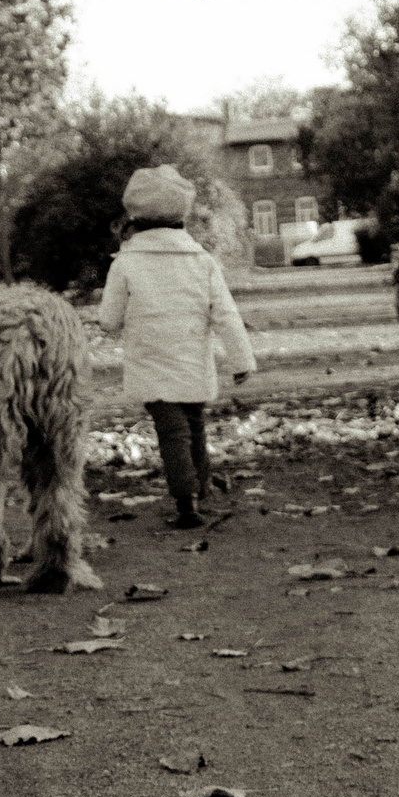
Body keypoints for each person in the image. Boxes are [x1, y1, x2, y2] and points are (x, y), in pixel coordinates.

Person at [97, 165, 257, 529]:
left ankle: (186, 503)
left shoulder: (126, 262)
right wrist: (241, 360)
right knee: (194, 426)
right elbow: (226, 315)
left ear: (135, 217)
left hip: (151, 364)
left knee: (172, 433)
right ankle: (199, 491)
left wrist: (111, 321)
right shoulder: (202, 261)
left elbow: (109, 319)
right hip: (192, 364)